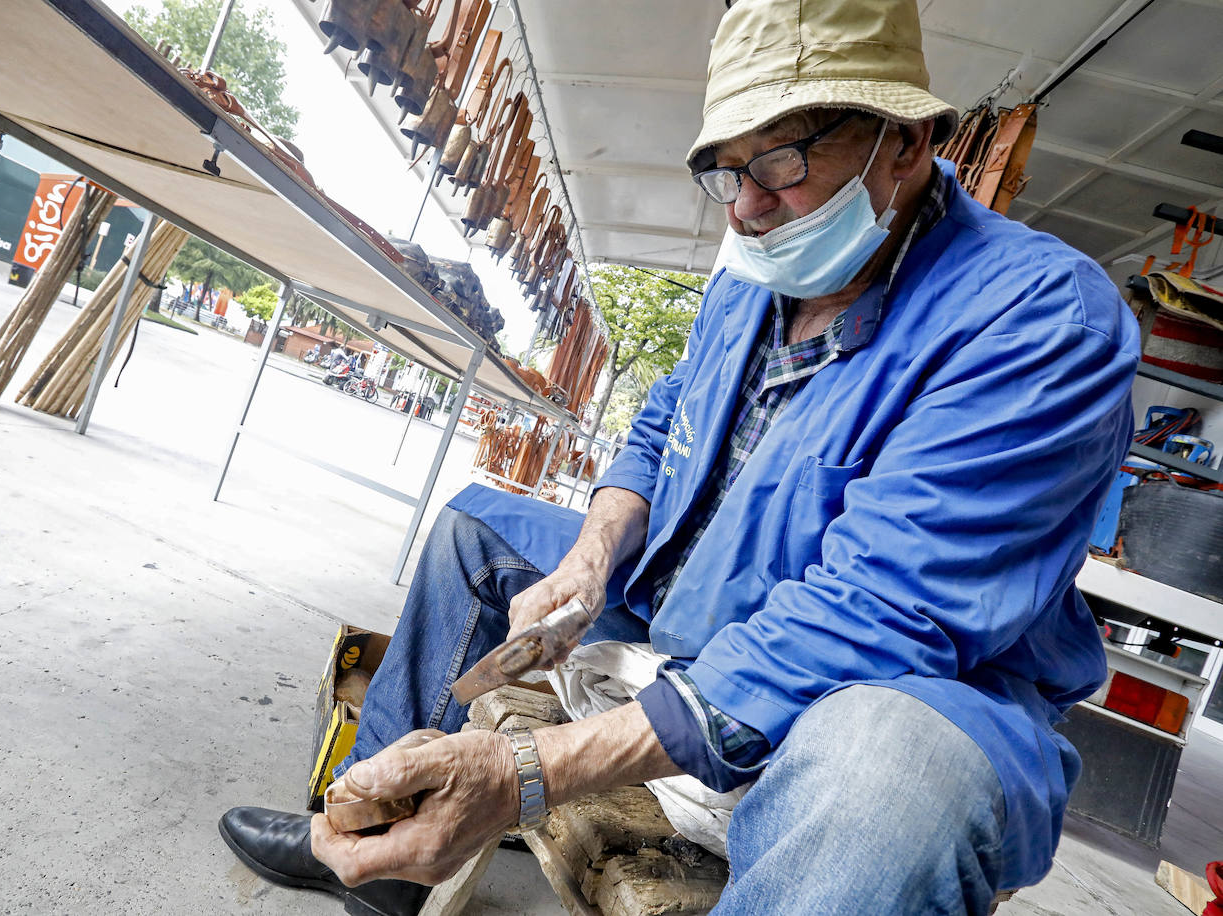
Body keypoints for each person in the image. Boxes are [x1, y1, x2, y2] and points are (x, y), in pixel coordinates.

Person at [218, 0, 1139, 913]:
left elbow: (880, 616)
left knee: (892, 784)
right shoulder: (754, 267)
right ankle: (372, 856)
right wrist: (592, 557)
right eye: (725, 172)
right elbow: (665, 424)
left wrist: (526, 771)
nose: (747, 207)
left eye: (780, 161)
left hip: (880, 687)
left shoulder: (1039, 318)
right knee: (476, 530)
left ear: (905, 140)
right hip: (690, 600)